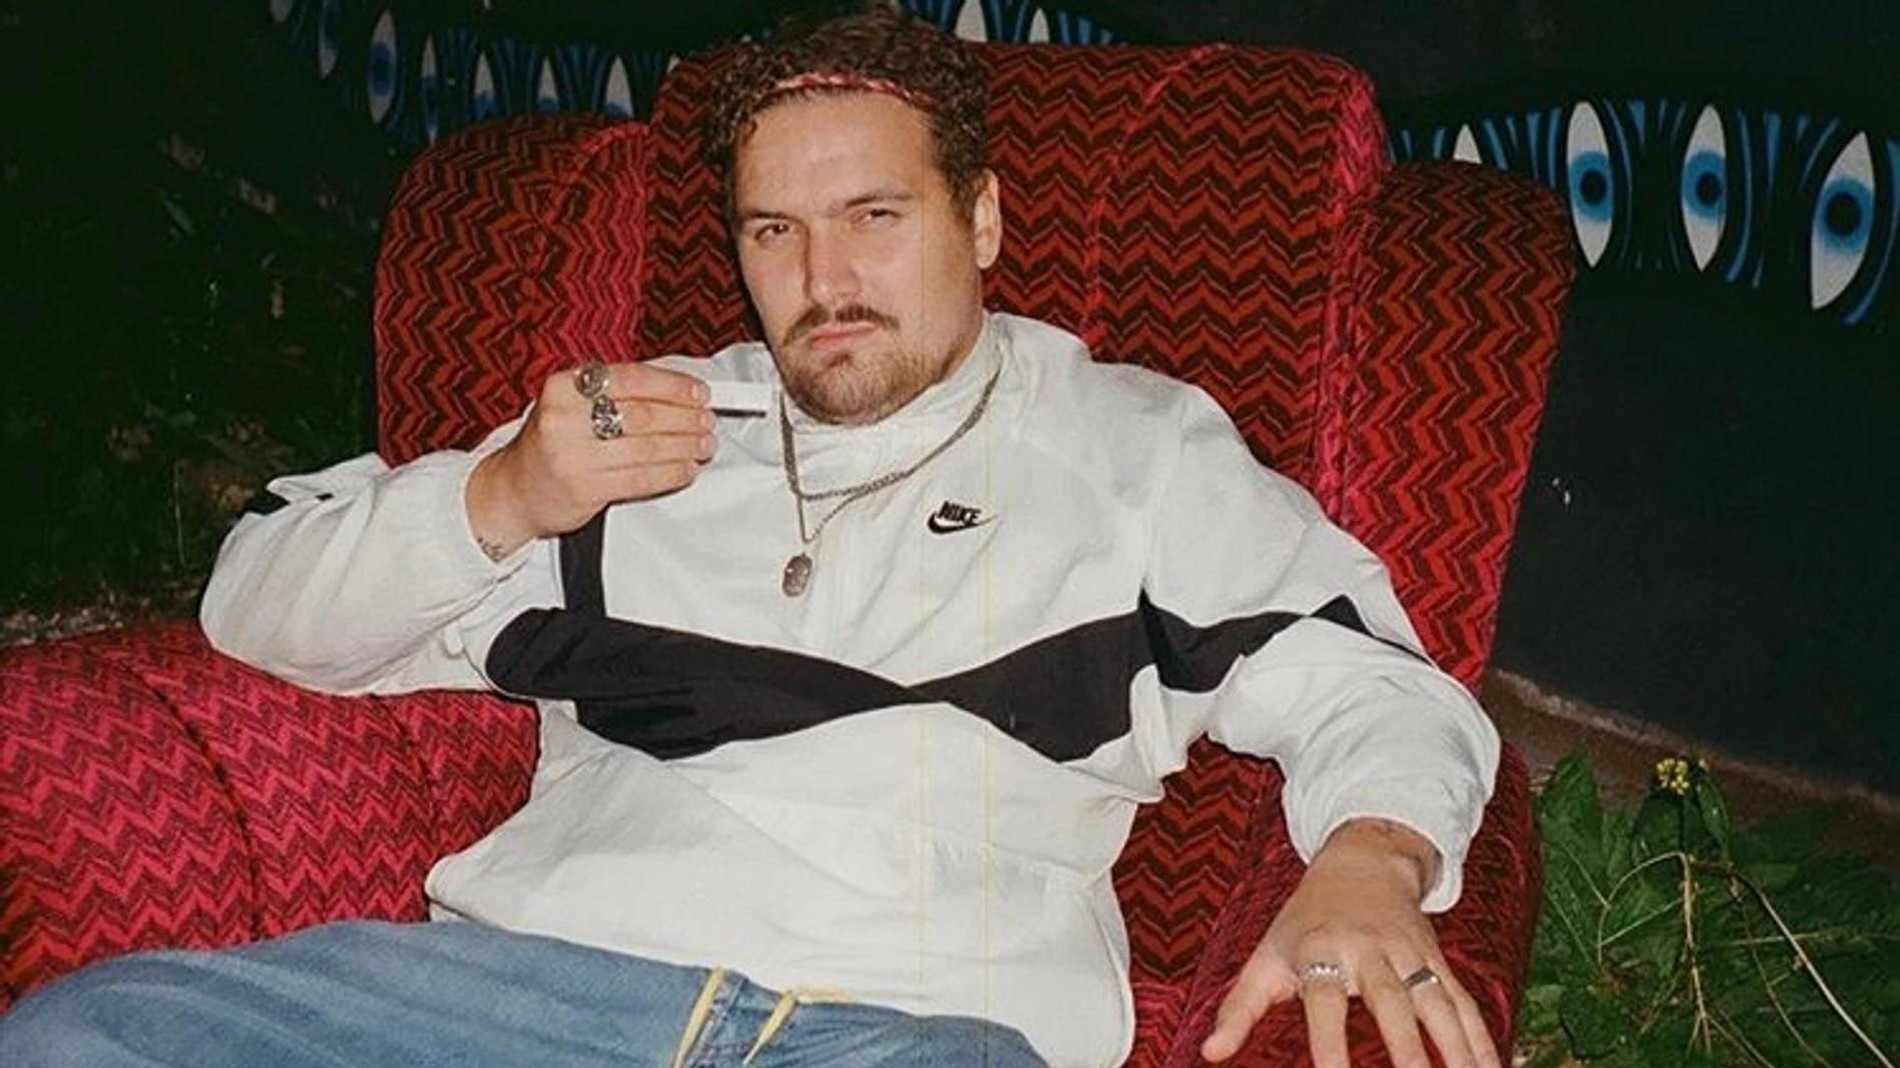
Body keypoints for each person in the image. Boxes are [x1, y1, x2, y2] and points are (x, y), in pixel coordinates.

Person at [0, 5, 1504, 1068]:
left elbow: (1367, 683)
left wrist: (1372, 857)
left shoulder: (1135, 449)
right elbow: (257, 606)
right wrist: (505, 495)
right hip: (521, 995)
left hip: (912, 1026)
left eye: (874, 217)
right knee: (88, 1036)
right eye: (773, 231)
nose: (821, 279)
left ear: (981, 221)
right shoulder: (632, 431)